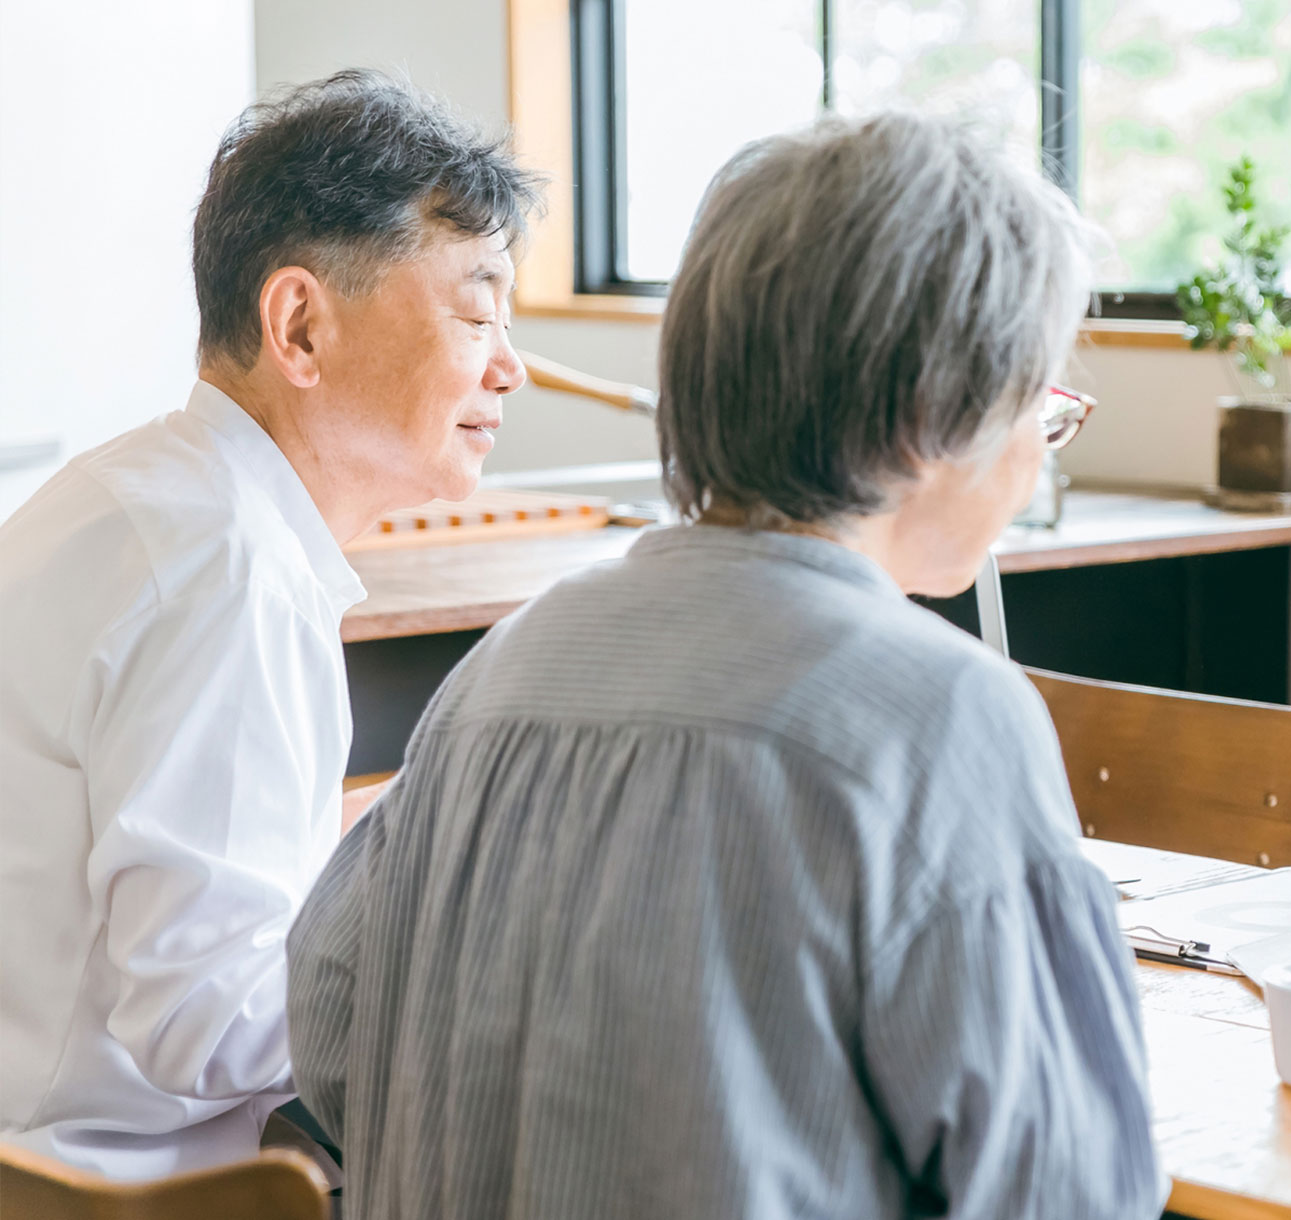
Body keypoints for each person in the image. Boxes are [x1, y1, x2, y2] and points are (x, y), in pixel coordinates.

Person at [284, 112, 1162, 1219]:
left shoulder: (501, 671)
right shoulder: (940, 715)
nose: (1041, 444)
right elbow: (1072, 1188)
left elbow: (327, 1031)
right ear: (938, 411)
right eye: (1041, 400)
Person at [0, 70, 538, 1179]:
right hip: (116, 1189)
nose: (509, 366)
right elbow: (207, 1015)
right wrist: (480, 957)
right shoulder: (229, 572)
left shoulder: (137, 494)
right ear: (299, 324)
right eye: (477, 310)